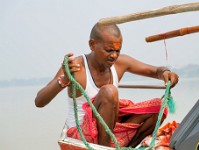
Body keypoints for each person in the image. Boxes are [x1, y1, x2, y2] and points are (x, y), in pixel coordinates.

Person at [35, 23, 179, 148]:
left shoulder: (120, 63)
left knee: (158, 106)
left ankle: (127, 148)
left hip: (108, 132)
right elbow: (39, 101)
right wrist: (64, 80)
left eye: (118, 50)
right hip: (81, 135)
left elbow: (155, 71)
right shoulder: (76, 66)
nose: (114, 55)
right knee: (109, 92)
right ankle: (105, 149)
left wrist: (165, 73)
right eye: (109, 50)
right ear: (92, 45)